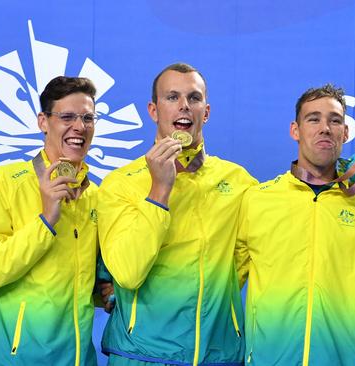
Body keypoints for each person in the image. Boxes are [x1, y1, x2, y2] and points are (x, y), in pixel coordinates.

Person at [234, 84, 355, 366]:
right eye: (313, 119)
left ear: (345, 133)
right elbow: (223, 285)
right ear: (295, 130)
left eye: (334, 120)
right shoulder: (257, 200)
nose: (325, 128)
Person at [98, 63, 257, 365]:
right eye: (172, 97)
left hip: (216, 354)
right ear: (153, 110)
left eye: (194, 98)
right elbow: (128, 273)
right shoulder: (120, 183)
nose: (184, 106)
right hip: (140, 354)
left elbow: (244, 260)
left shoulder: (239, 182)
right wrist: (159, 189)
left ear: (206, 112)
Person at [0, 76, 101, 365]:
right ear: (43, 121)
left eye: (88, 118)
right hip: (17, 359)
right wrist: (45, 222)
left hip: (79, 359)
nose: (80, 127)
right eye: (67, 117)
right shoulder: (3, 182)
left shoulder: (96, 196)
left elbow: (82, 282)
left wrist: (107, 290)